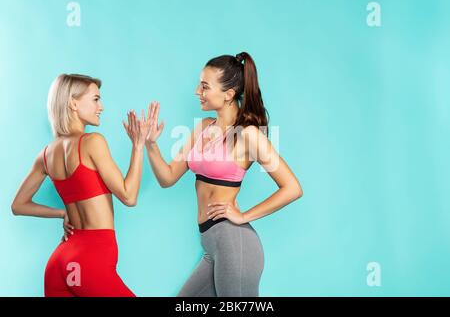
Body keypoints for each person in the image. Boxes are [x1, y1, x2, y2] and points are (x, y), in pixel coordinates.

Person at [144, 52, 303, 296]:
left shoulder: (248, 135)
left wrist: (243, 215)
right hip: (211, 245)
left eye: (205, 86)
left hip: (234, 242)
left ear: (228, 94)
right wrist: (150, 144)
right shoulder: (203, 127)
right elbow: (167, 178)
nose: (198, 91)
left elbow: (292, 188)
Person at [11, 74, 151, 297]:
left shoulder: (45, 155)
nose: (101, 107)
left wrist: (61, 212)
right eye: (96, 99)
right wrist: (138, 145)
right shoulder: (92, 142)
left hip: (60, 261)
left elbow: (18, 205)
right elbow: (129, 196)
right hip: (90, 260)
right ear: (73, 103)